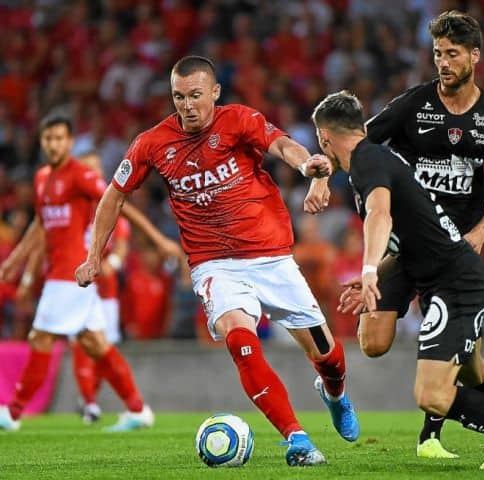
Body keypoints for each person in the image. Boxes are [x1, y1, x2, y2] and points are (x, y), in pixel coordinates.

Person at [75, 55, 359, 467]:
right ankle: (296, 438)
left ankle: (333, 394)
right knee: (240, 342)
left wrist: (305, 165)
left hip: (271, 257)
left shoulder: (239, 119)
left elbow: (280, 143)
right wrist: (92, 256)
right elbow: (114, 194)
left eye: (194, 95)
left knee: (329, 357)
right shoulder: (152, 142)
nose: (187, 105)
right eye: (178, 97)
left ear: (214, 92)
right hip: (215, 264)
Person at [312, 89, 484, 473]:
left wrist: (367, 268)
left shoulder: (367, 161)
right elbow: (409, 240)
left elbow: (380, 214)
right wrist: (376, 277)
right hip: (440, 276)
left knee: (431, 394)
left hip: (456, 282)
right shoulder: (376, 157)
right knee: (474, 372)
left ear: (324, 139)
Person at [318, 10, 484, 462]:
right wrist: (320, 173)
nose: (443, 62)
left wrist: (481, 232)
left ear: (474, 57)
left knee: (467, 364)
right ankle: (442, 428)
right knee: (372, 341)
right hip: (403, 245)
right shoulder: (413, 104)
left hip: (451, 251)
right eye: (437, 54)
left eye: (452, 54)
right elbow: (357, 143)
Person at [0, 116, 162, 432]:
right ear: (42, 141)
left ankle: (13, 412)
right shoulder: (42, 178)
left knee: (41, 337)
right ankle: (138, 409)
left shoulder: (80, 175)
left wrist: (156, 239)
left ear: (70, 141)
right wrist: (15, 261)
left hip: (70, 274)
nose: (53, 144)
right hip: (61, 274)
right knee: (94, 343)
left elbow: (115, 201)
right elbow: (40, 224)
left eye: (60, 138)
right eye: (48, 138)